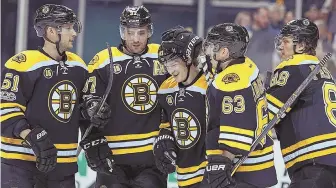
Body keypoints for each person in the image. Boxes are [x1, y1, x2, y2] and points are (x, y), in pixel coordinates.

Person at [0, 4, 91, 188]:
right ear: (51, 32)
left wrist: (94, 111)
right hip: (21, 167)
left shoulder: (79, 66)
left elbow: (83, 109)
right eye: (68, 28)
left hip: (63, 169)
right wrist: (32, 136)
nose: (73, 33)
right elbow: (6, 110)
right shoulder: (23, 64)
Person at [82, 5, 168, 188]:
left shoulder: (164, 57)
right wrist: (93, 108)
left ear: (149, 31)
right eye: (130, 33)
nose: (135, 39)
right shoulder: (103, 60)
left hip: (152, 160)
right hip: (111, 160)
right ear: (122, 32)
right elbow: (86, 101)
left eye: (141, 32)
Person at [202, 23, 278, 188]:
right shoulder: (247, 65)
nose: (207, 52)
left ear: (224, 52)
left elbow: (236, 125)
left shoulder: (231, 80)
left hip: (242, 172)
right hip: (259, 165)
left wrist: (222, 163)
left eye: (212, 47)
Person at [267, 18, 336, 187]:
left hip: (314, 161)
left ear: (302, 46)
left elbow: (265, 113)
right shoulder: (324, 72)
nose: (281, 46)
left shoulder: (293, 68)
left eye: (286, 41)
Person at [153, 26, 208, 188]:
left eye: (174, 63)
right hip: (184, 176)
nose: (170, 70)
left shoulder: (212, 86)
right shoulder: (166, 89)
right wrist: (164, 141)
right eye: (166, 64)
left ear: (189, 57)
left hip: (212, 174)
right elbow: (167, 124)